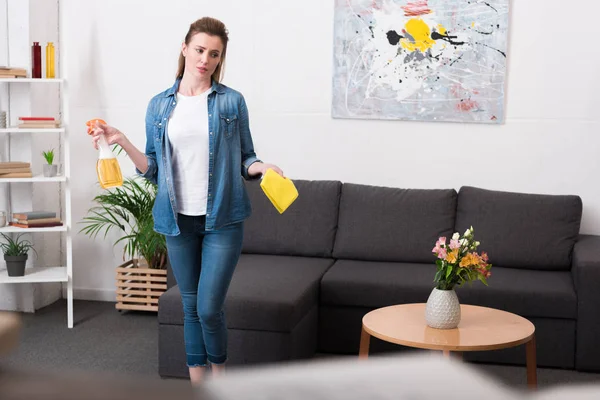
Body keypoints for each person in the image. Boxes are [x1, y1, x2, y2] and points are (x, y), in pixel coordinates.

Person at [89, 17, 283, 385]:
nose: (205, 59)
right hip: (177, 220)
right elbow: (153, 169)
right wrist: (123, 141)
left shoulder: (231, 102)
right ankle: (198, 385)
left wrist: (261, 167)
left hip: (222, 219)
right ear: (184, 48)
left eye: (214, 54)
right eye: (199, 50)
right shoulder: (159, 106)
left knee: (209, 308)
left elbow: (246, 156)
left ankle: (221, 381)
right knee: (191, 307)